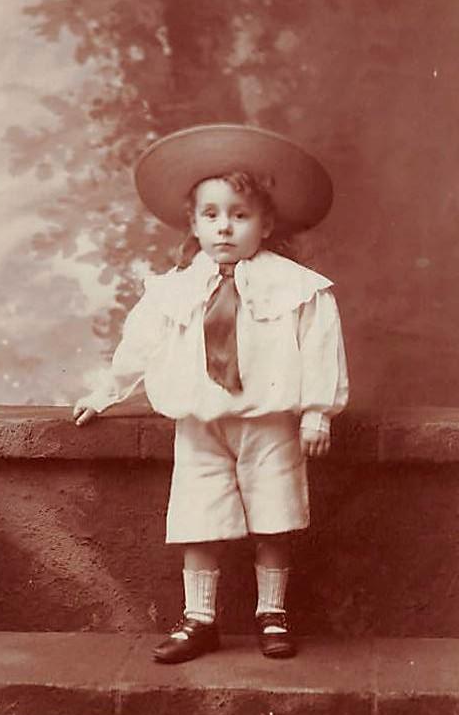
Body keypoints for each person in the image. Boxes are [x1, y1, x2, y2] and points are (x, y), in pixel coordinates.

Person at [74, 124, 348, 664]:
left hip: (269, 424)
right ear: (193, 224)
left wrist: (318, 411)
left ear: (266, 223)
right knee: (198, 520)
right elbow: (138, 346)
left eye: (240, 215)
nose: (225, 227)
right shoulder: (172, 290)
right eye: (212, 215)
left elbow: (321, 349)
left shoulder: (299, 288)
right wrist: (104, 394)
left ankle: (273, 614)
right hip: (200, 427)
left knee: (275, 515)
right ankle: (199, 620)